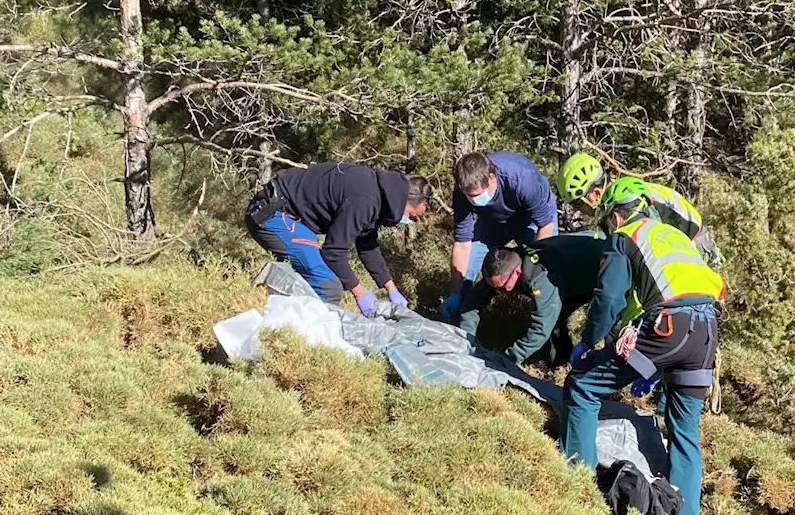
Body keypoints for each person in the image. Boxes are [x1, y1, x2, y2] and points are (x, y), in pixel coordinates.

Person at [560, 179, 726, 515]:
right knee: (684, 431)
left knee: (583, 386)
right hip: (707, 330)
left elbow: (609, 299)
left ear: (616, 217)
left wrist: (589, 342)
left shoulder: (625, 237)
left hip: (670, 326)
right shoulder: (674, 236)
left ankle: (578, 489)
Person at [244, 162, 432, 315]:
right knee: (329, 286)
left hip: (292, 218)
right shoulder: (365, 200)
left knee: (323, 276)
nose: (409, 221)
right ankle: (307, 345)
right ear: (406, 201)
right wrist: (360, 293)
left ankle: (273, 303)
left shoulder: (379, 194)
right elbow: (333, 252)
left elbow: (367, 244)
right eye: (412, 216)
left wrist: (391, 288)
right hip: (272, 214)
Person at [456, 231, 607, 367]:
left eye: (502, 289)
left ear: (517, 272)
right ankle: (563, 361)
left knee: (557, 321)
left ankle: (569, 367)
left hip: (599, 266)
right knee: (555, 316)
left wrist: (506, 359)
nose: (498, 293)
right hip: (572, 261)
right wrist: (467, 339)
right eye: (494, 288)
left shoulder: (541, 279)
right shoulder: (505, 265)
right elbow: (473, 300)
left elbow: (541, 328)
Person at [440, 152, 558, 319]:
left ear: (491, 178)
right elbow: (462, 244)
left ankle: (537, 322)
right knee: (466, 274)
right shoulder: (462, 192)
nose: (473, 200)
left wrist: (533, 264)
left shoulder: (522, 180)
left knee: (541, 274)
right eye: (469, 196)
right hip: (493, 222)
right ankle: (461, 319)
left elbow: (545, 225)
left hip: (532, 221)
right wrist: (455, 292)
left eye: (477, 195)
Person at [558, 156, 724, 270]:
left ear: (595, 194)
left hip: (696, 245)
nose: (577, 209)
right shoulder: (614, 199)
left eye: (577, 203)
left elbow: (654, 245)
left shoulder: (629, 203)